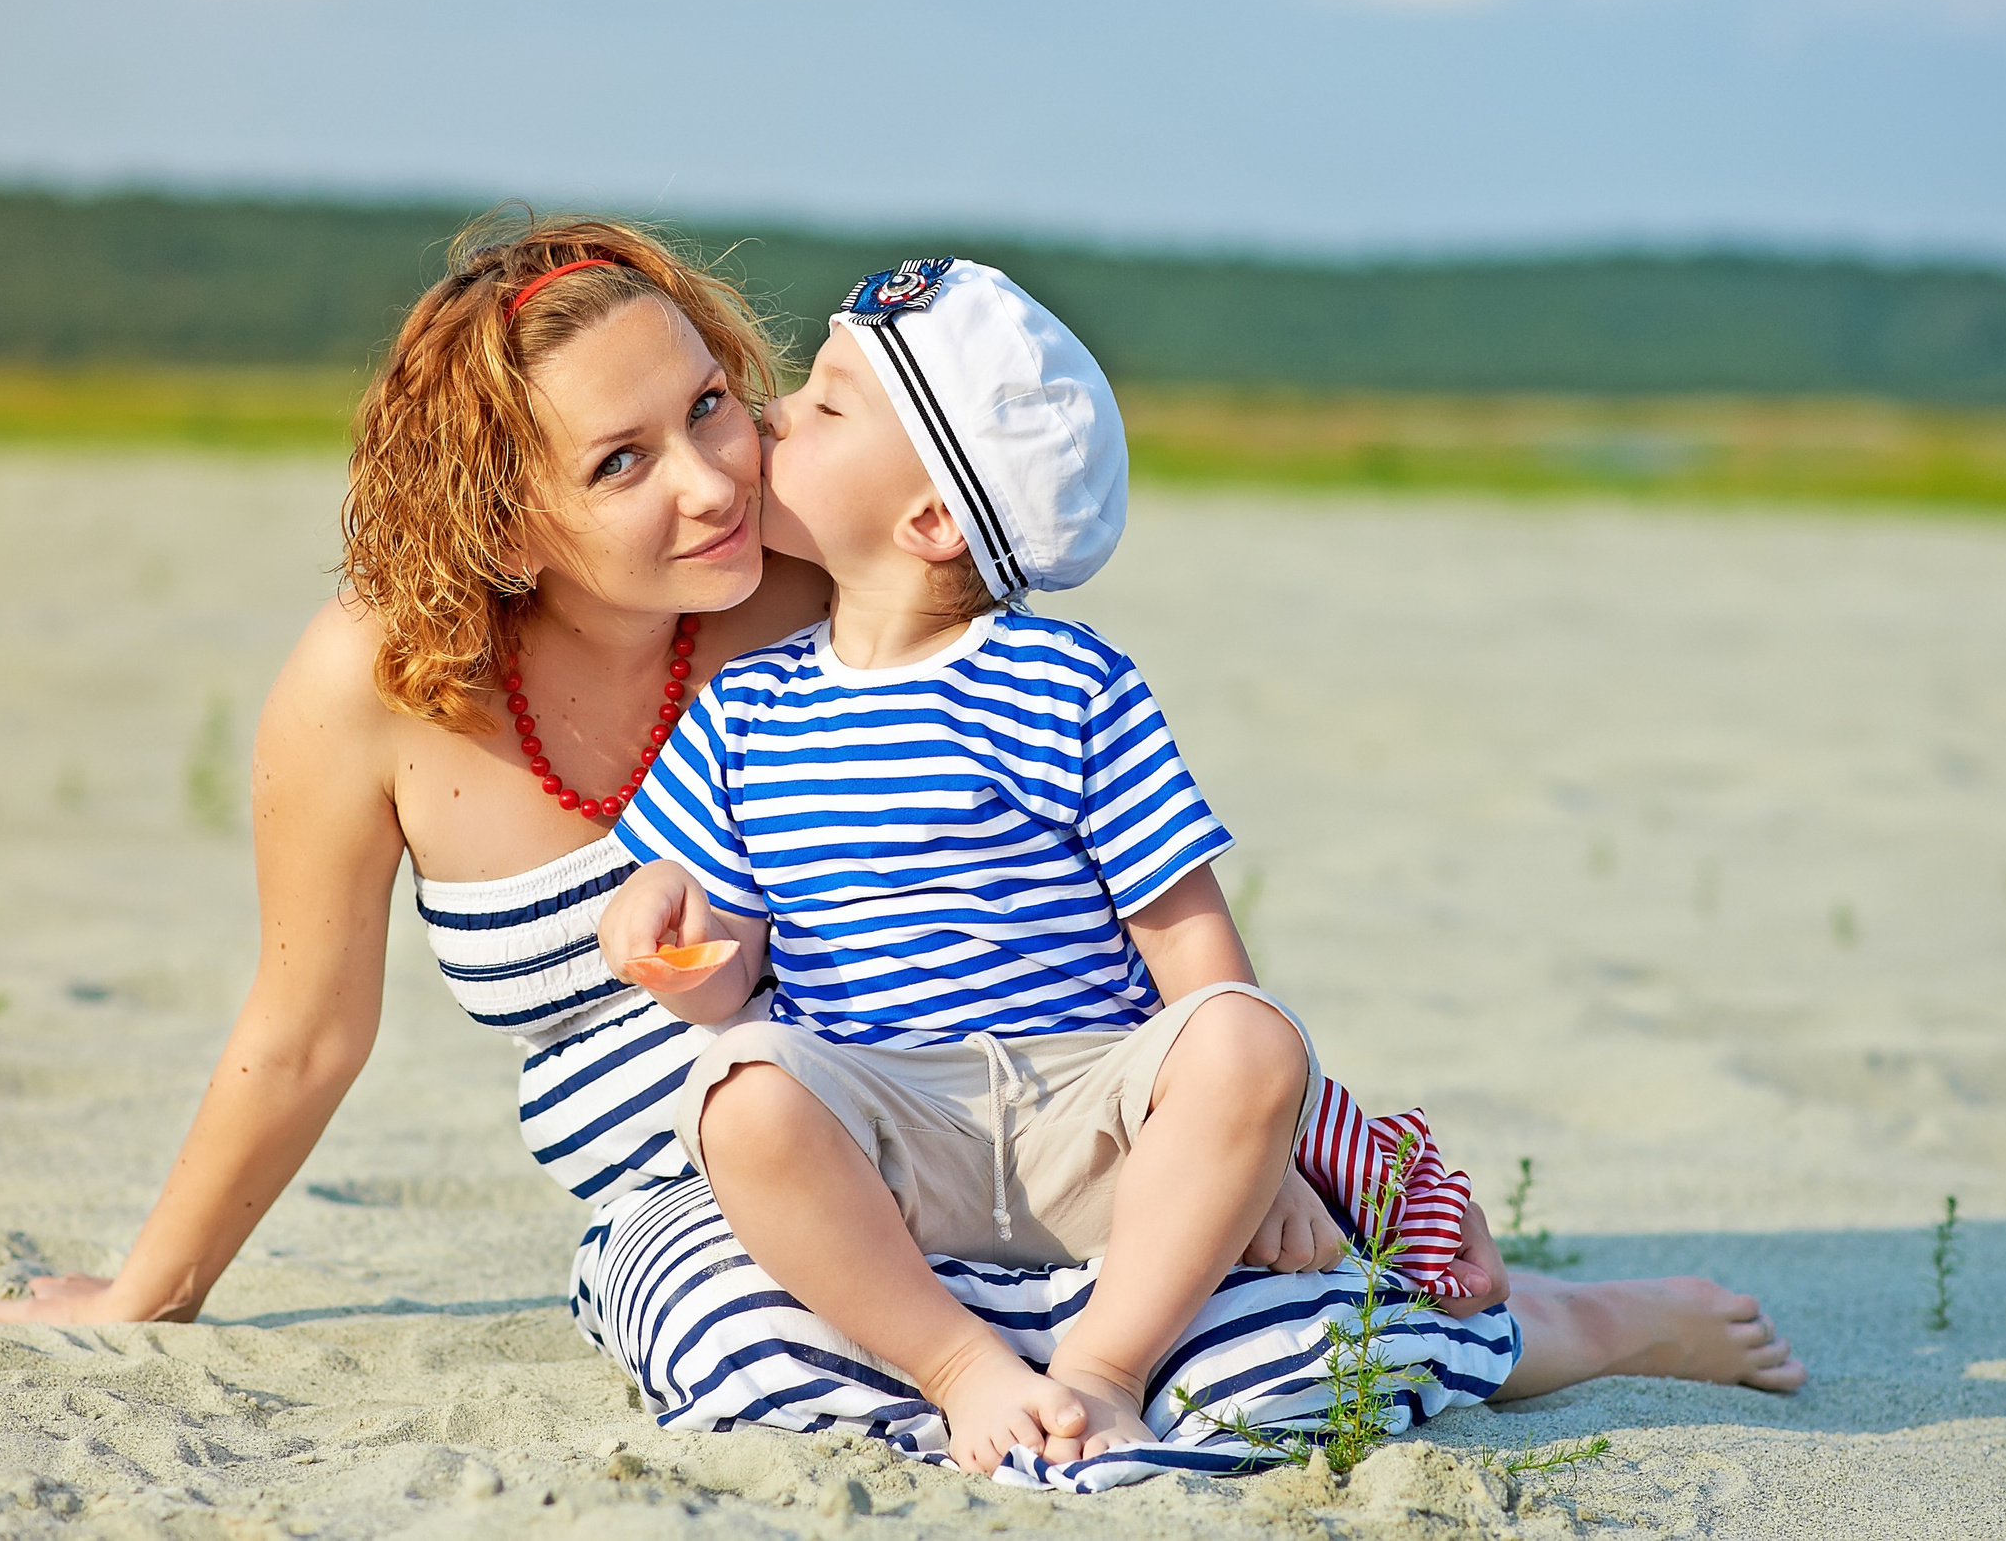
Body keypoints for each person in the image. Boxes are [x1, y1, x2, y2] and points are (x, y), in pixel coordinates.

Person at [0, 216, 1807, 1496]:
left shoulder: (813, 606)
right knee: (773, 1381)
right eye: (619, 464)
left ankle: (1540, 1321)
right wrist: (152, 1292)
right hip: (743, 1192)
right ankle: (1045, 1379)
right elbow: (304, 1034)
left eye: (711, 404)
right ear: (500, 511)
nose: (709, 475)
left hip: (999, 1122)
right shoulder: (370, 683)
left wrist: (1295, 1134)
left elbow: (1087, 888)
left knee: (1250, 1353)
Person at [596, 259, 1498, 1471]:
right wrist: (663, 939)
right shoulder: (746, 708)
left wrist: (1272, 1155)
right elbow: (727, 975)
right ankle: (959, 1364)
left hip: (1093, 1121)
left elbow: (1189, 945)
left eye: (824, 406)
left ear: (930, 521)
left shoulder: (1068, 684)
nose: (770, 418)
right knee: (742, 1089)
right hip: (892, 1126)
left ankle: (1100, 1373)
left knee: (1247, 1034)